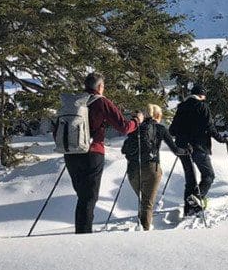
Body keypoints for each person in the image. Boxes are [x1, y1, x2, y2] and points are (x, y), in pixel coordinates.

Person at [64, 72, 140, 234]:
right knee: (89, 198)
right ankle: (84, 237)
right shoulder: (101, 102)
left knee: (83, 198)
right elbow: (124, 127)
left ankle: (81, 233)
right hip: (93, 152)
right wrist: (137, 121)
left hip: (70, 152)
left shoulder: (74, 102)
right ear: (99, 87)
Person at [122, 104, 187, 231]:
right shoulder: (161, 129)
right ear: (158, 116)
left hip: (133, 171)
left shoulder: (136, 128)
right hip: (152, 169)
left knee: (143, 201)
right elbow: (176, 150)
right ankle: (145, 233)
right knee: (147, 203)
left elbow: (125, 149)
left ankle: (141, 226)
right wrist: (187, 150)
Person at [169, 83, 228, 216]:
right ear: (202, 95)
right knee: (209, 175)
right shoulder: (202, 106)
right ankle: (197, 197)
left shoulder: (181, 107)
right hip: (198, 146)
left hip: (182, 148)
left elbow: (172, 130)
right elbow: (210, 127)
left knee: (190, 179)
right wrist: (222, 139)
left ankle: (188, 209)